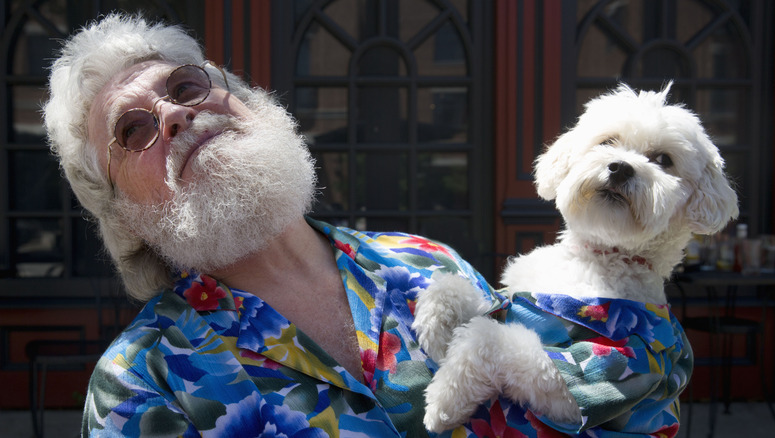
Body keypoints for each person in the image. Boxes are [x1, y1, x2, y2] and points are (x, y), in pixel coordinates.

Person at [44, 14, 510, 437]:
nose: (175, 114)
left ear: (250, 104)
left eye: (185, 87)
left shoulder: (426, 261)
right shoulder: (141, 380)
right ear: (125, 215)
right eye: (132, 130)